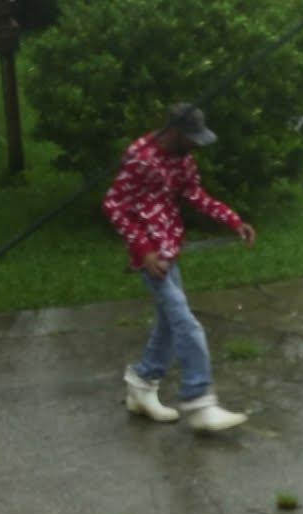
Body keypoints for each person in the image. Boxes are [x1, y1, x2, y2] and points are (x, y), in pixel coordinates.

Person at [103, 103, 257, 432]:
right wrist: (143, 251)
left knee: (169, 323)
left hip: (169, 249)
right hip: (151, 259)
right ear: (174, 132)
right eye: (191, 138)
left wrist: (233, 221)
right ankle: (200, 403)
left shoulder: (182, 158)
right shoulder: (140, 157)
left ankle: (142, 386)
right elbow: (114, 204)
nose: (196, 145)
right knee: (187, 325)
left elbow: (194, 194)